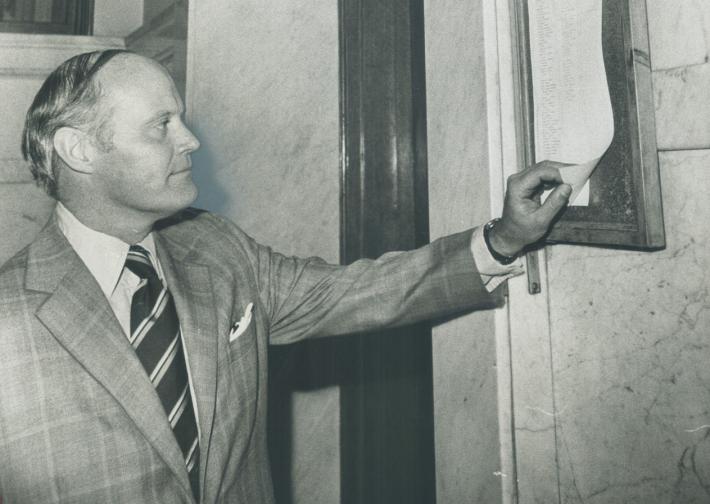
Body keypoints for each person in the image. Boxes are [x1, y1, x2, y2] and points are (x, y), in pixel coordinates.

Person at [0, 48, 571, 504]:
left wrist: (505, 240)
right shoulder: (10, 317)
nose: (190, 141)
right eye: (161, 126)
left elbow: (353, 293)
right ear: (78, 150)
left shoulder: (216, 247)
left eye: (183, 119)